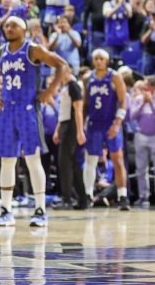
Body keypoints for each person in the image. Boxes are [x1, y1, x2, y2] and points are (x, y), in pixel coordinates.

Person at [0, 16, 72, 227]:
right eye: (6, 25)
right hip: (8, 110)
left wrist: (50, 91)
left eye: (13, 25)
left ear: (23, 29)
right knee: (7, 160)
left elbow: (62, 65)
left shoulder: (32, 49)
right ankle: (6, 210)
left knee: (32, 159)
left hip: (28, 109)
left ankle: (40, 210)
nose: (8, 28)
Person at [82, 48, 129, 210]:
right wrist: (81, 126)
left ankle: (122, 196)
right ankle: (88, 195)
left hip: (110, 123)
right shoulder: (88, 78)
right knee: (91, 160)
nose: (99, 61)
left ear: (107, 60)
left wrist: (117, 123)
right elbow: (85, 104)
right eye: (96, 59)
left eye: (101, 58)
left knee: (117, 159)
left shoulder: (115, 77)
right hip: (94, 124)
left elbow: (123, 102)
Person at [129, 75, 155, 208]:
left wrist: (151, 103)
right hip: (141, 135)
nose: (144, 87)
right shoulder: (139, 99)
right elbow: (133, 116)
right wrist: (143, 104)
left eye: (146, 85)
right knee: (140, 168)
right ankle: (143, 196)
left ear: (153, 86)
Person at [52, 70, 85, 208]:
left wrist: (80, 131)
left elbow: (78, 110)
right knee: (72, 164)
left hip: (71, 126)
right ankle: (82, 199)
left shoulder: (73, 86)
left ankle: (67, 199)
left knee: (65, 163)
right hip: (65, 124)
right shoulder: (65, 87)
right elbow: (63, 111)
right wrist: (57, 130)